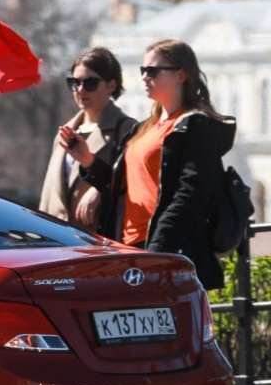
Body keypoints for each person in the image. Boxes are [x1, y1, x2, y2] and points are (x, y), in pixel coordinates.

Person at [64, 39, 236, 290]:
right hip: (127, 247)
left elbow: (190, 196)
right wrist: (88, 160)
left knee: (173, 328)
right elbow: (123, 184)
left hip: (164, 251)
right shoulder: (144, 128)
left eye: (153, 71)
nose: (145, 77)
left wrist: (158, 251)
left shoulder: (195, 125)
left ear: (180, 75)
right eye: (143, 71)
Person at [39, 47, 138, 233]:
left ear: (111, 85)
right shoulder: (65, 133)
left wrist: (100, 191)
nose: (81, 90)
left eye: (90, 83)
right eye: (74, 83)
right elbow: (49, 196)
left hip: (98, 243)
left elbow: (134, 185)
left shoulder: (127, 130)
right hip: (56, 244)